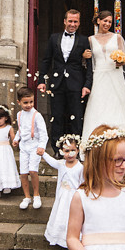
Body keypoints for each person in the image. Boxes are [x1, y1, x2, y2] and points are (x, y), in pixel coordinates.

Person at [81, 10, 125, 162]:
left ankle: (124, 149)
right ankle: (95, 149)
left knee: (117, 108)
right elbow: (87, 63)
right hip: (99, 77)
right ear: (98, 21)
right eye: (105, 21)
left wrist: (121, 61)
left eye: (110, 22)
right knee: (97, 107)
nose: (107, 24)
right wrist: (84, 57)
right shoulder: (90, 39)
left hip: (114, 76)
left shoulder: (117, 38)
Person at [37, 9, 92, 154]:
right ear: (65, 21)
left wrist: (87, 85)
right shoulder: (54, 38)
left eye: (75, 21)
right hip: (57, 82)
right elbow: (47, 60)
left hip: (76, 83)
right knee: (57, 116)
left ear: (79, 23)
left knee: (76, 117)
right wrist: (41, 79)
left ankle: (77, 149)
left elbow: (90, 65)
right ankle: (57, 149)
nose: (72, 24)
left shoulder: (84, 40)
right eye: (70, 21)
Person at [41, 134, 84, 248]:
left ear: (78, 150)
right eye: (66, 151)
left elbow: (82, 182)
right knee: (61, 215)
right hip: (62, 196)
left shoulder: (80, 167)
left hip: (74, 197)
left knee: (73, 218)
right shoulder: (61, 165)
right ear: (61, 151)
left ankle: (75, 241)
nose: (70, 154)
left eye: (73, 151)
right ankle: (61, 238)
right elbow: (51, 161)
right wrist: (43, 153)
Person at [13, 87, 48, 209]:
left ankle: (36, 195)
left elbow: (44, 134)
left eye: (31, 102)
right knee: (23, 173)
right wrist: (16, 139)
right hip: (24, 147)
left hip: (34, 146)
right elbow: (21, 129)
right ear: (19, 102)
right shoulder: (19, 114)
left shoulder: (37, 115)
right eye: (25, 102)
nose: (29, 105)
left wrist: (41, 147)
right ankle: (27, 196)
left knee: (33, 171)